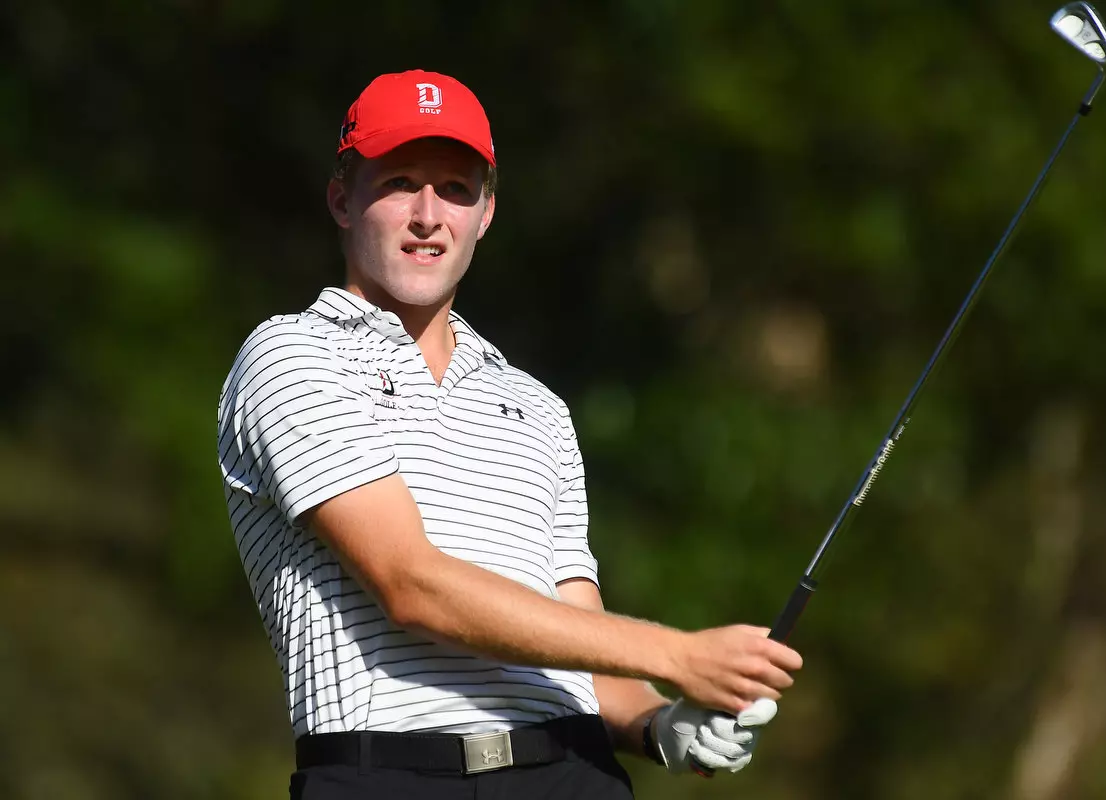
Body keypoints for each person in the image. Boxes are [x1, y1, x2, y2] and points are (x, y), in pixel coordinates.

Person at [216, 69, 803, 800]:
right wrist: (678, 653)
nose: (429, 214)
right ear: (343, 198)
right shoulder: (292, 356)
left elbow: (575, 642)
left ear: (485, 213)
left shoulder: (537, 406)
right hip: (391, 777)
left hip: (572, 774)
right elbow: (413, 586)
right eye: (400, 182)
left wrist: (661, 721)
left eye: (457, 190)